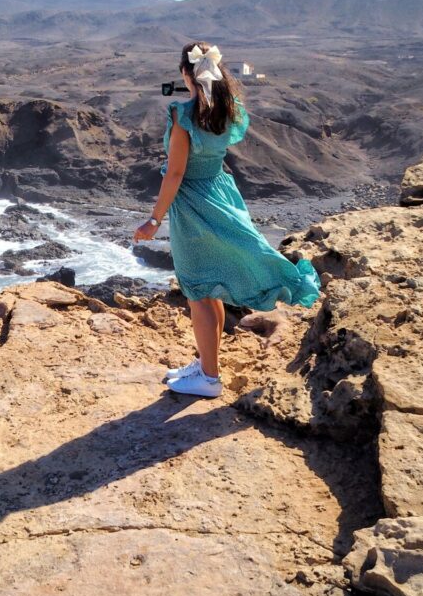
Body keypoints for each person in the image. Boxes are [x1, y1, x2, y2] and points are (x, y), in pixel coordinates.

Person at [133, 42, 321, 398]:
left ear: (185, 73)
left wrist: (153, 221)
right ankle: (207, 365)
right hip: (220, 192)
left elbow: (174, 174)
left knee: (196, 290)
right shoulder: (228, 109)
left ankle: (208, 379)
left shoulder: (183, 114)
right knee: (212, 285)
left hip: (192, 203)